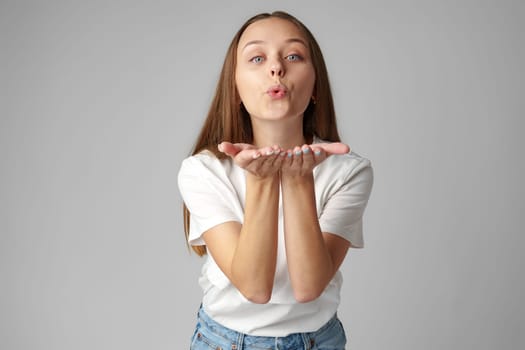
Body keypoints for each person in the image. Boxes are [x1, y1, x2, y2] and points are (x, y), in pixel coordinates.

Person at [178, 10, 373, 349]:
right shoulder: (203, 170)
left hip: (318, 341)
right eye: (257, 57)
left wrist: (298, 180)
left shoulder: (348, 171)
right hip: (224, 341)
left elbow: (308, 287)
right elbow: (254, 287)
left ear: (315, 86)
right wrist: (263, 180)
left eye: (294, 55)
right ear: (235, 88)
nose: (276, 68)